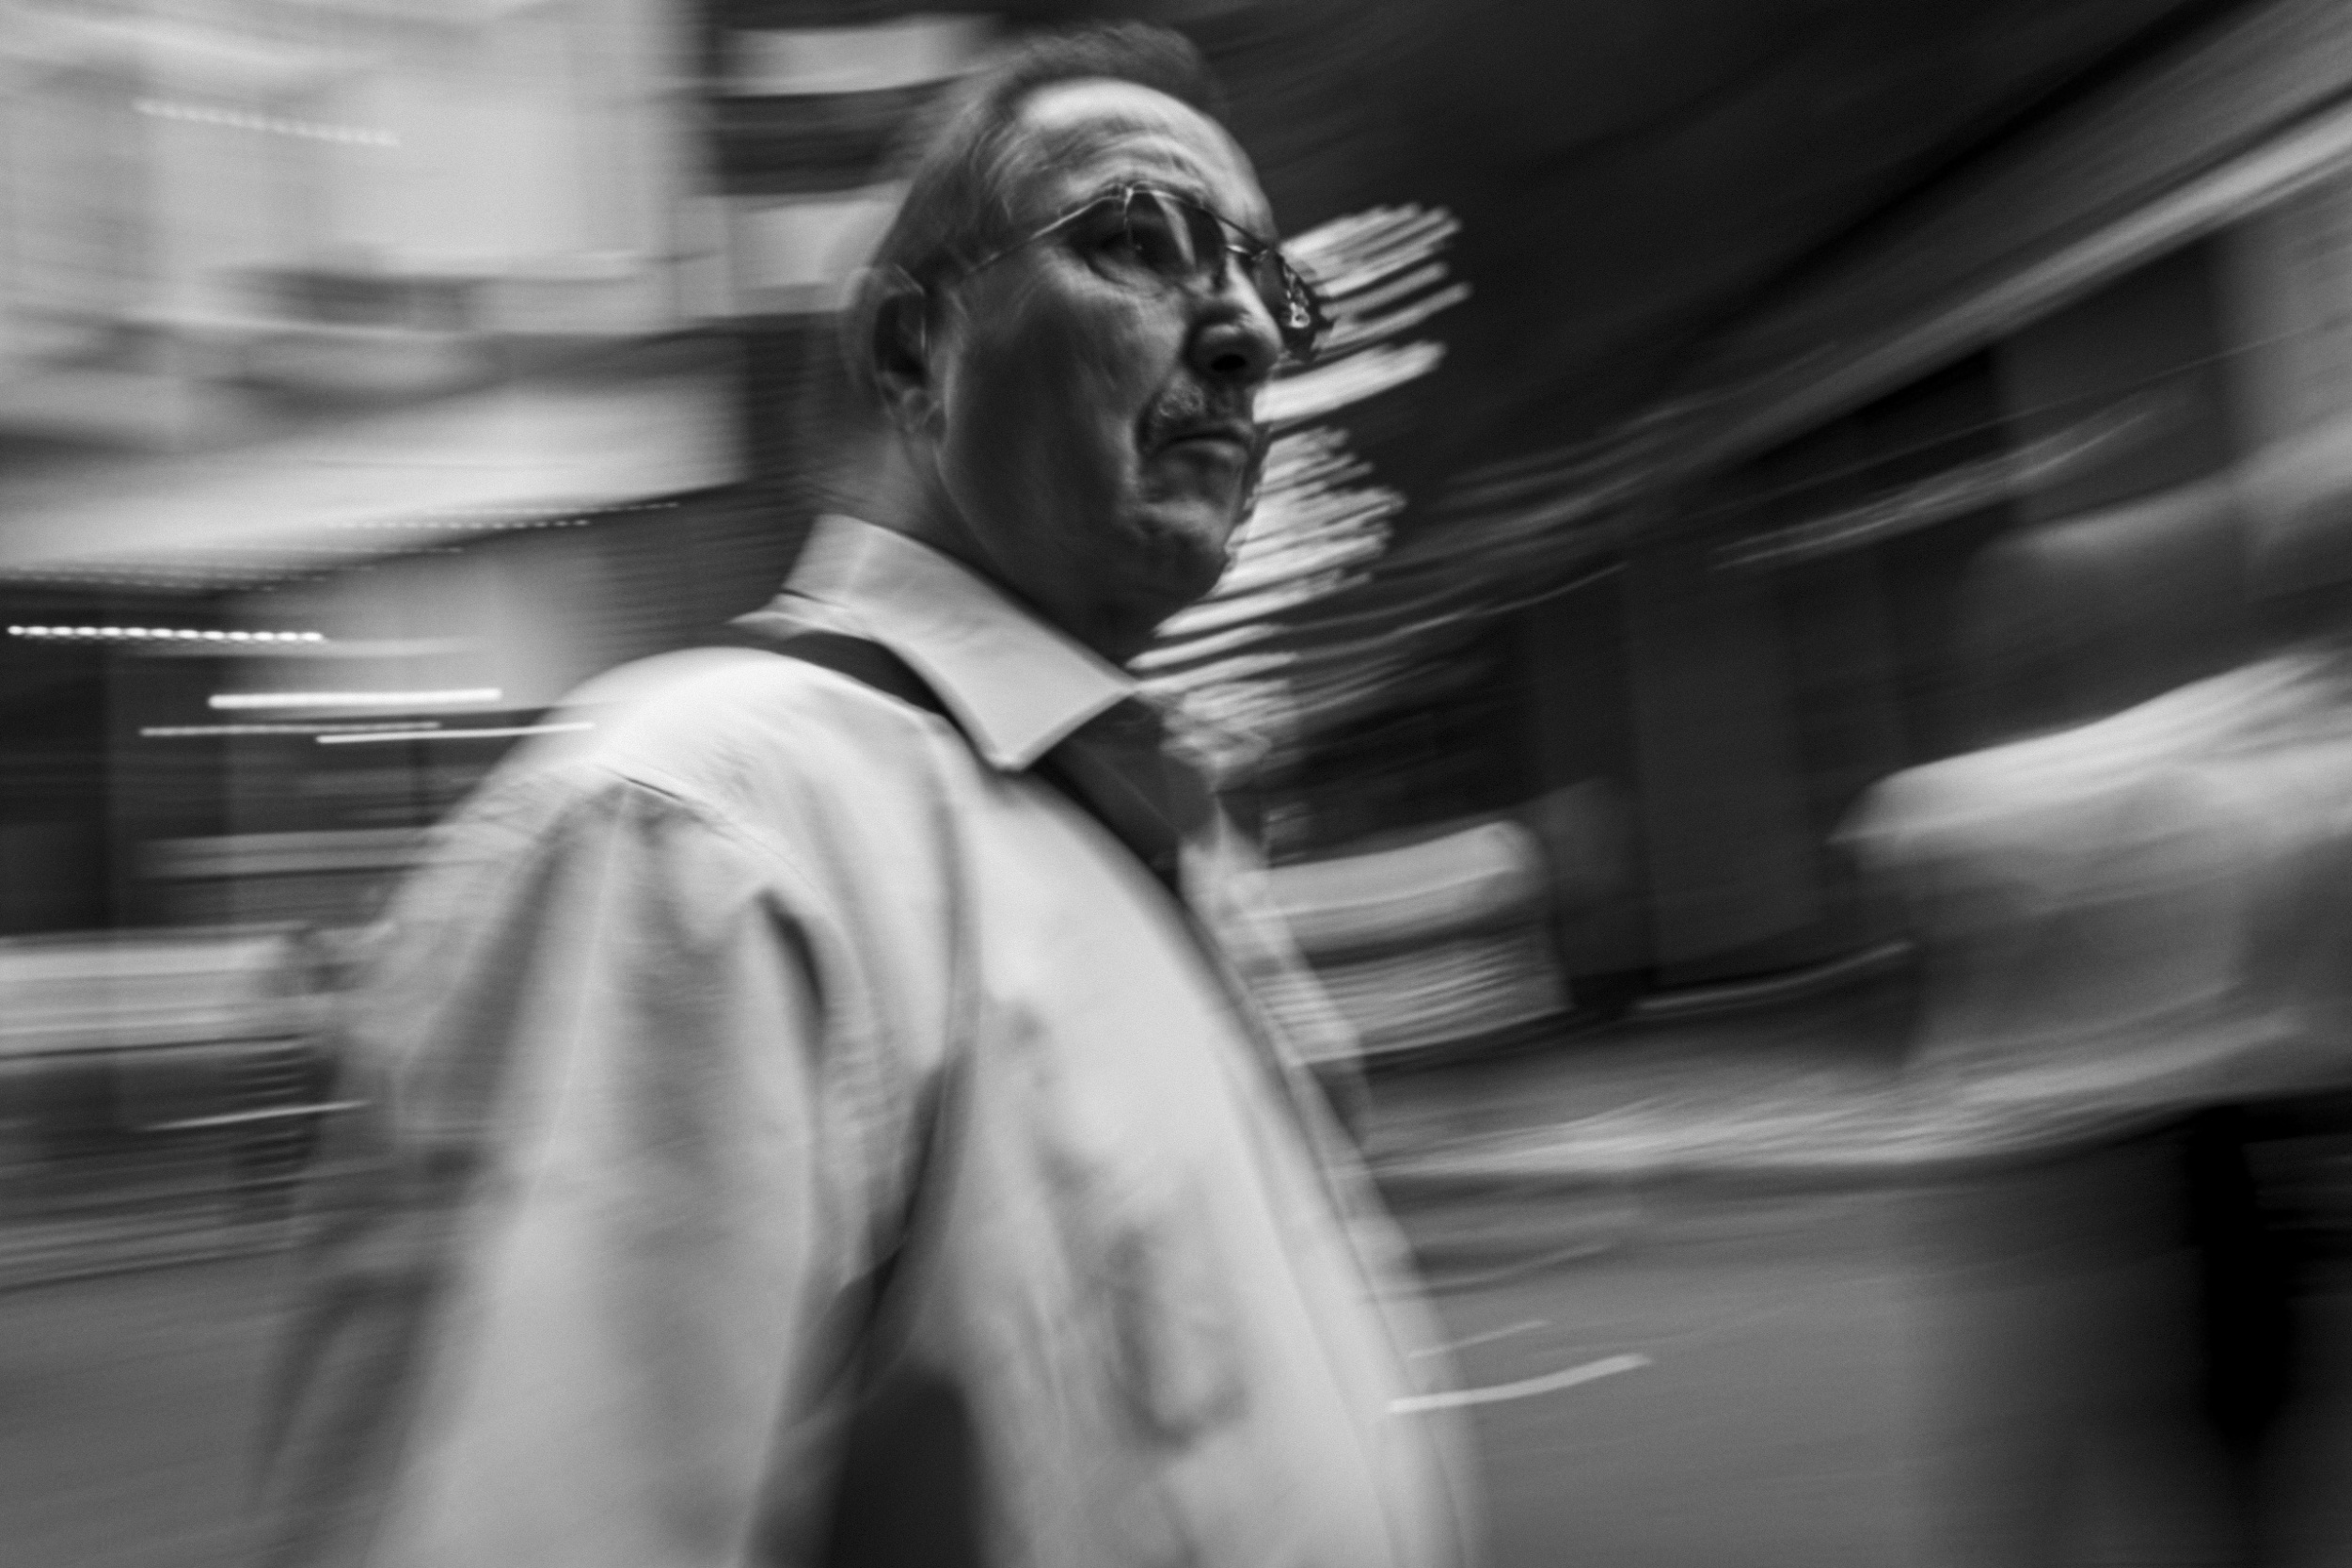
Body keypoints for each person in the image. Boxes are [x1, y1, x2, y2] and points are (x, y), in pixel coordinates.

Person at [256, 23, 1479, 1568]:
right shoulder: (699, 830)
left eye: (1268, 283)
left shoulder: (1145, 838)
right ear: (914, 352)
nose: (1243, 330)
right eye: (1137, 241)